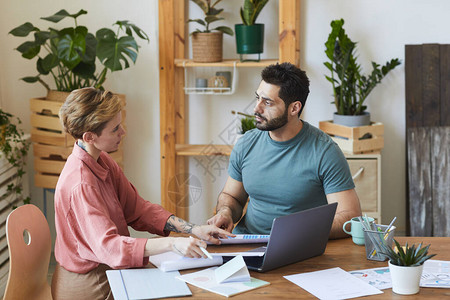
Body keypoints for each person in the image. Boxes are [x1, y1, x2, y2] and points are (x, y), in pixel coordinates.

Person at [51, 88, 232, 300]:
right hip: (92, 281)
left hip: (110, 268)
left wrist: (193, 229)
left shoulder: (102, 160)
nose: (123, 131)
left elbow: (138, 210)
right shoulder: (81, 184)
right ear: (89, 137)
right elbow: (110, 248)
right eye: (115, 128)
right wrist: (171, 243)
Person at [207, 62, 362, 238]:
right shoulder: (246, 143)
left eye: (267, 102)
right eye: (257, 98)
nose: (256, 108)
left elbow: (350, 217)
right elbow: (232, 196)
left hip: (297, 248)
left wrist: (301, 233)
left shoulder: (325, 152)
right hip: (246, 242)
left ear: (294, 108)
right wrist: (226, 212)